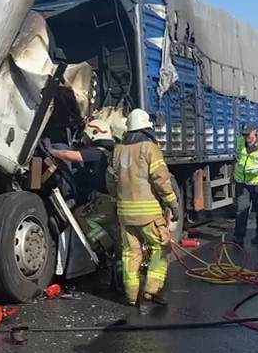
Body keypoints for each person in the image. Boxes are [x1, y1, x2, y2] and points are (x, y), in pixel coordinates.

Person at [107, 108, 179, 307]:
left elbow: (111, 180)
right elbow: (161, 179)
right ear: (147, 127)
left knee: (130, 253)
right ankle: (151, 290)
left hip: (125, 215)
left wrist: (116, 200)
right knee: (161, 247)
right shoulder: (150, 148)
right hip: (148, 214)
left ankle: (131, 296)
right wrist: (173, 203)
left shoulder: (118, 150)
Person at [50, 119, 118, 253]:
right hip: (112, 200)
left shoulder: (96, 152)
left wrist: (51, 151)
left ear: (94, 134)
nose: (85, 141)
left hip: (104, 200)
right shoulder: (110, 152)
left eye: (87, 137)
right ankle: (112, 256)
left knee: (81, 216)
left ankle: (105, 246)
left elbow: (69, 155)